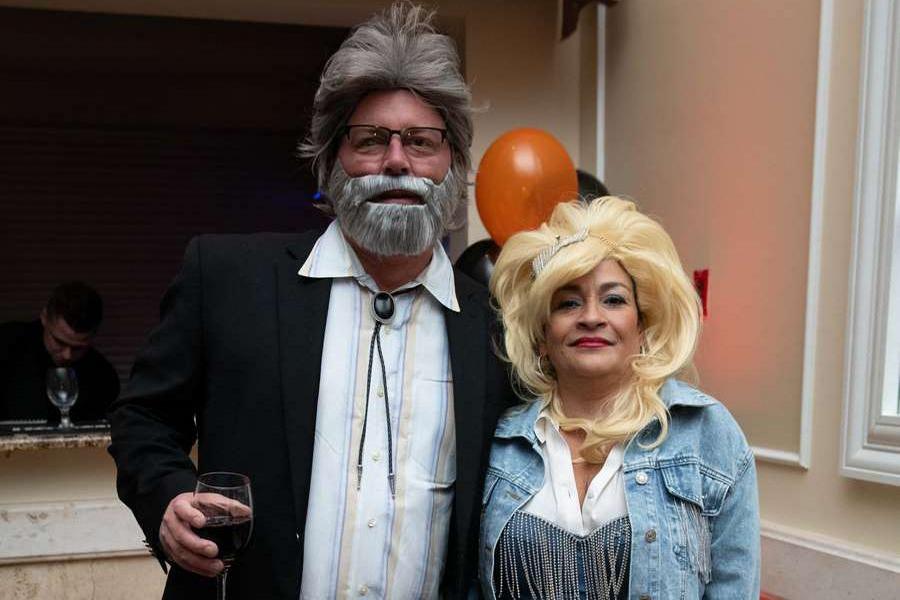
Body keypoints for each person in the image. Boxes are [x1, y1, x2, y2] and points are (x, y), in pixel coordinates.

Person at [108, 4, 514, 599]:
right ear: (332, 160)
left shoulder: (495, 329)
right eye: (370, 140)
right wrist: (168, 498)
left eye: (422, 142)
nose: (396, 160)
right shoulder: (227, 278)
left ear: (452, 165)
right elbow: (142, 418)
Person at [481, 197, 760, 599]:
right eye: (568, 303)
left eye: (613, 299)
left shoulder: (707, 434)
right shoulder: (498, 441)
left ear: (642, 326)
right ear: (542, 336)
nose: (592, 317)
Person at [0, 281, 120, 424]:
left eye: (78, 348)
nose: (67, 355)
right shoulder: (6, 345)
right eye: (60, 342)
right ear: (44, 317)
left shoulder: (103, 376)